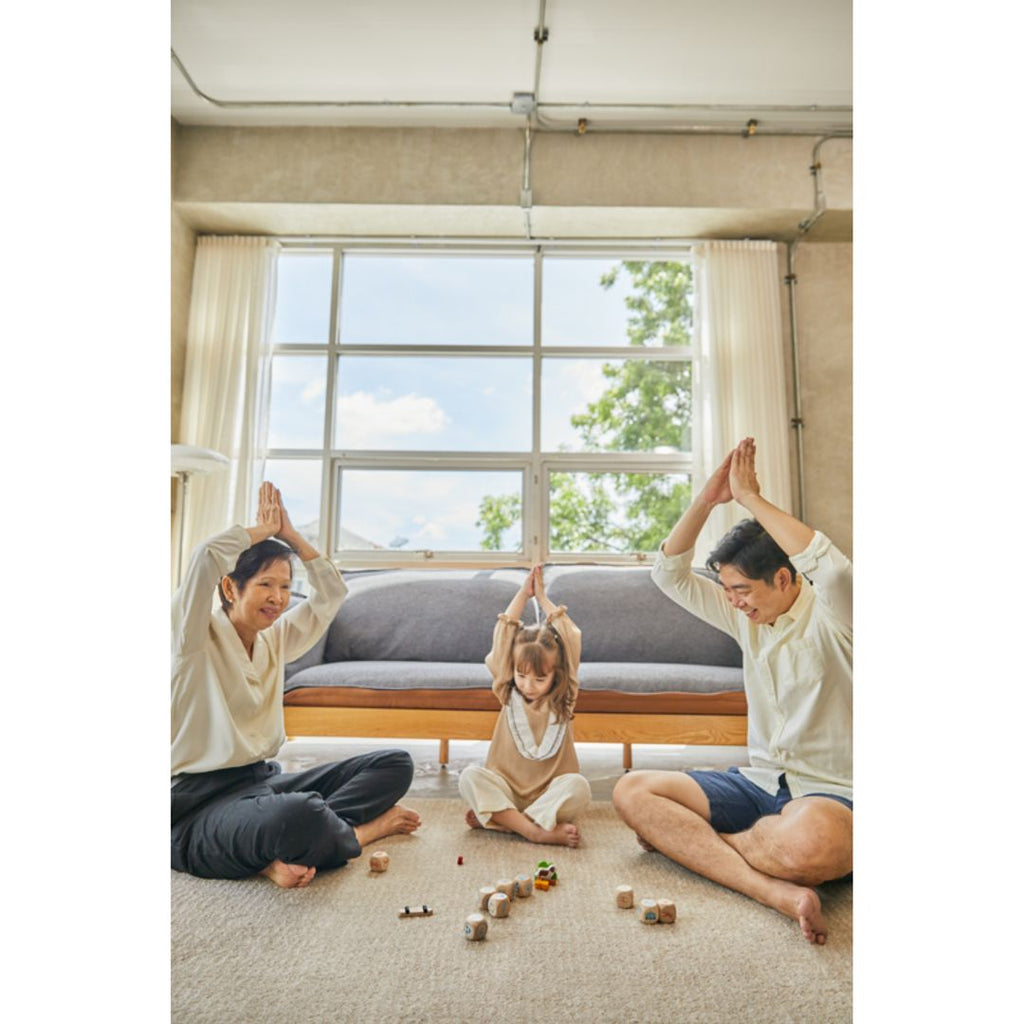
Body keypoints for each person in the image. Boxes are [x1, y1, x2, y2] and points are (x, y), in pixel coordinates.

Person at [612, 437, 852, 944]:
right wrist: (708, 499)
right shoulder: (745, 613)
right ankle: (772, 890)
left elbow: (830, 566)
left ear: (785, 577)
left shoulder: (840, 617)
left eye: (742, 590)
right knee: (632, 790)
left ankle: (703, 846)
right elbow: (669, 574)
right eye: (727, 592)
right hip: (762, 782)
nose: (733, 603)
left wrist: (751, 499)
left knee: (811, 843)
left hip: (836, 793)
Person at [171, 481, 421, 888]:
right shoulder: (192, 637)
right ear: (231, 587)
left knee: (394, 764)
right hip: (196, 805)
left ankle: (288, 846)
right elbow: (205, 557)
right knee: (298, 814)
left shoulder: (276, 638)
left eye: (286, 587)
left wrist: (291, 537)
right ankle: (356, 834)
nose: (278, 598)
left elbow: (331, 594)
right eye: (266, 585)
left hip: (260, 782)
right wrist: (260, 530)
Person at [459, 566, 591, 847]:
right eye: (522, 675)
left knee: (579, 787)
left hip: (549, 794)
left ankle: (504, 822)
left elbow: (570, 635)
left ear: (558, 674)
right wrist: (523, 593)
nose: (529, 685)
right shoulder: (507, 690)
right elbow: (504, 633)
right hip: (506, 788)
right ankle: (534, 830)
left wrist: (542, 598)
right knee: (469, 777)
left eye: (540, 678)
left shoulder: (565, 697)